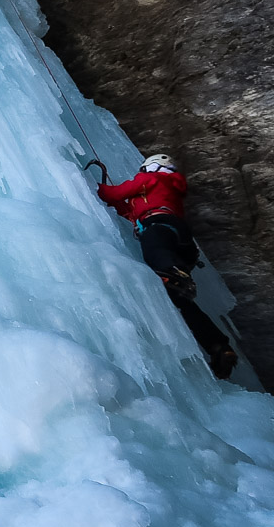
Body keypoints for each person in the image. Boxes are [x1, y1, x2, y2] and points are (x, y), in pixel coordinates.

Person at [97, 153, 237, 378]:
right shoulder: (167, 190)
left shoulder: (153, 179)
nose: (141, 174)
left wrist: (99, 189)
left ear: (152, 168)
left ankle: (173, 272)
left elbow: (117, 192)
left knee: (155, 253)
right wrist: (116, 203)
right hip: (181, 242)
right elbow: (128, 210)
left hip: (159, 229)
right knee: (180, 302)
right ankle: (218, 346)